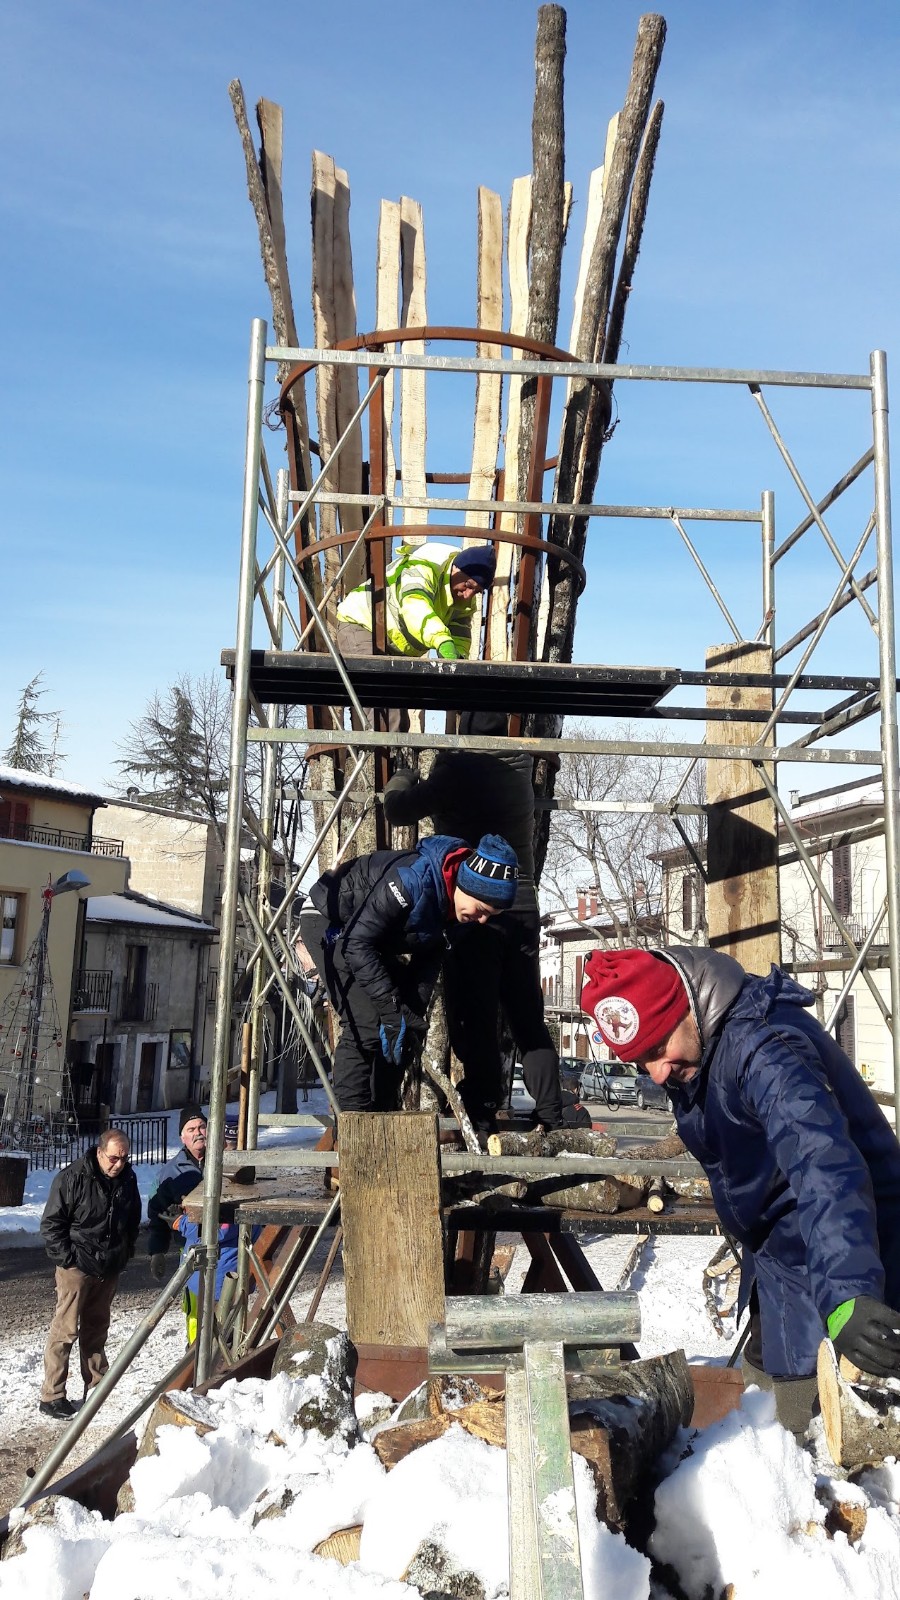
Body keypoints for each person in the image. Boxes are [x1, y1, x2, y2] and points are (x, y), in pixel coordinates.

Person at [581, 945, 900, 1430]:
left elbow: (823, 1162)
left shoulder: (764, 1049)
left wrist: (849, 1293)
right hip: (781, 1255)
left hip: (849, 1248)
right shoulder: (698, 1049)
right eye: (641, 1060)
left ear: (686, 1010)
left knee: (816, 1428)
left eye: (659, 1047)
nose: (657, 1072)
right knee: (761, 1408)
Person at [383, 710, 563, 1132]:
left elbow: (398, 810)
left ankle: (480, 1109)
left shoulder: (457, 770)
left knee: (473, 1014)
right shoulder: (520, 767)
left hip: (474, 907)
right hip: (521, 905)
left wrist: (404, 777)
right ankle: (553, 1112)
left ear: (463, 729)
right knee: (526, 1015)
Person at [300, 832, 518, 1112]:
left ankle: (383, 1110)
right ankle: (355, 1121)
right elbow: (356, 943)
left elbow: (428, 962)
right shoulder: (412, 880)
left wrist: (410, 1013)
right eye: (481, 908)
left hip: (369, 941)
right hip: (330, 919)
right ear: (467, 885)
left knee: (404, 1030)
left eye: (491, 915)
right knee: (365, 1022)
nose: (483, 919)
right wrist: (391, 1010)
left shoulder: (460, 915)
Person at [38, 1128, 141, 1419]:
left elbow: (132, 1220)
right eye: (113, 1158)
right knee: (65, 1330)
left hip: (108, 1268)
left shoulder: (128, 1179)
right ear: (99, 1152)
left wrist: (123, 1253)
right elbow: (51, 1224)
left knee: (97, 1329)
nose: (118, 1164)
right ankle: (52, 1395)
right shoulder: (72, 1178)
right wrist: (69, 1260)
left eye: (124, 1158)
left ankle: (96, 1386)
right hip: (77, 1267)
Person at [147, 1103, 242, 1342]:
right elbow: (158, 1215)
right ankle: (196, 1353)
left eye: (202, 1127)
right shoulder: (170, 1173)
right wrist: (157, 1252)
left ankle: (218, 1356)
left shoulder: (227, 1164)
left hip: (228, 1255)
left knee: (228, 1322)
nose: (198, 1133)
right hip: (191, 1255)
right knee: (196, 1318)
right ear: (182, 1137)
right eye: (191, 1129)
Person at [335, 541, 496, 662]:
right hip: (363, 623)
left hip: (395, 642)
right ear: (455, 569)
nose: (468, 595)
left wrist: (459, 657)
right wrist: (442, 640)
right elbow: (415, 607)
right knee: (373, 690)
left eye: (477, 591)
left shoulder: (465, 598)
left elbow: (460, 630)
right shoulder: (424, 567)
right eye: (468, 585)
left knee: (395, 696)